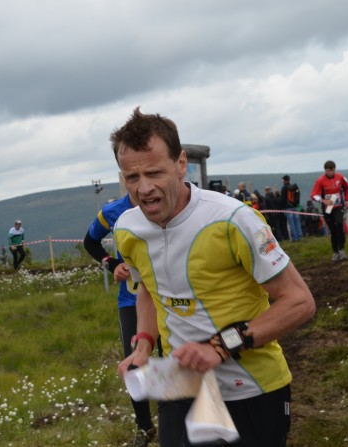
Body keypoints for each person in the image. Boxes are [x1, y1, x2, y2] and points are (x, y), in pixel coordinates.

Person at [110, 109, 316, 446]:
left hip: (252, 389)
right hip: (182, 387)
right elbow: (147, 288)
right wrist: (144, 345)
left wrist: (220, 346)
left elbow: (300, 302)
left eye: (154, 172)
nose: (144, 188)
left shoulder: (234, 219)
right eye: (132, 177)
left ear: (181, 164)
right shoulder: (127, 228)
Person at [84, 194, 156, 446]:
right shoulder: (112, 211)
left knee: (180, 359)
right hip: (132, 300)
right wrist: (112, 263)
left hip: (170, 297)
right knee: (134, 364)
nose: (140, 184)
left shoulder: (169, 201)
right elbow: (90, 242)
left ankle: (186, 422)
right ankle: (144, 427)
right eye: (131, 177)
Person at [311, 160, 348, 261]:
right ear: (325, 171)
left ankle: (342, 250)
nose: (330, 172)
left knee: (339, 225)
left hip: (338, 206)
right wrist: (323, 200)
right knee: (332, 230)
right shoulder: (320, 180)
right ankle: (335, 252)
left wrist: (347, 200)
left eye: (332, 170)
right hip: (328, 209)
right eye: (328, 171)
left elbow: (346, 188)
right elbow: (314, 195)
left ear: (334, 170)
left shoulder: (340, 177)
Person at [281, 175, 303, 242]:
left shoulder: (284, 188)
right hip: (295, 207)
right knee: (297, 221)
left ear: (284, 180)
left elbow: (283, 199)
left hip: (288, 208)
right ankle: (300, 236)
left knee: (291, 223)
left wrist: (282, 207)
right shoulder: (294, 187)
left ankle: (294, 237)